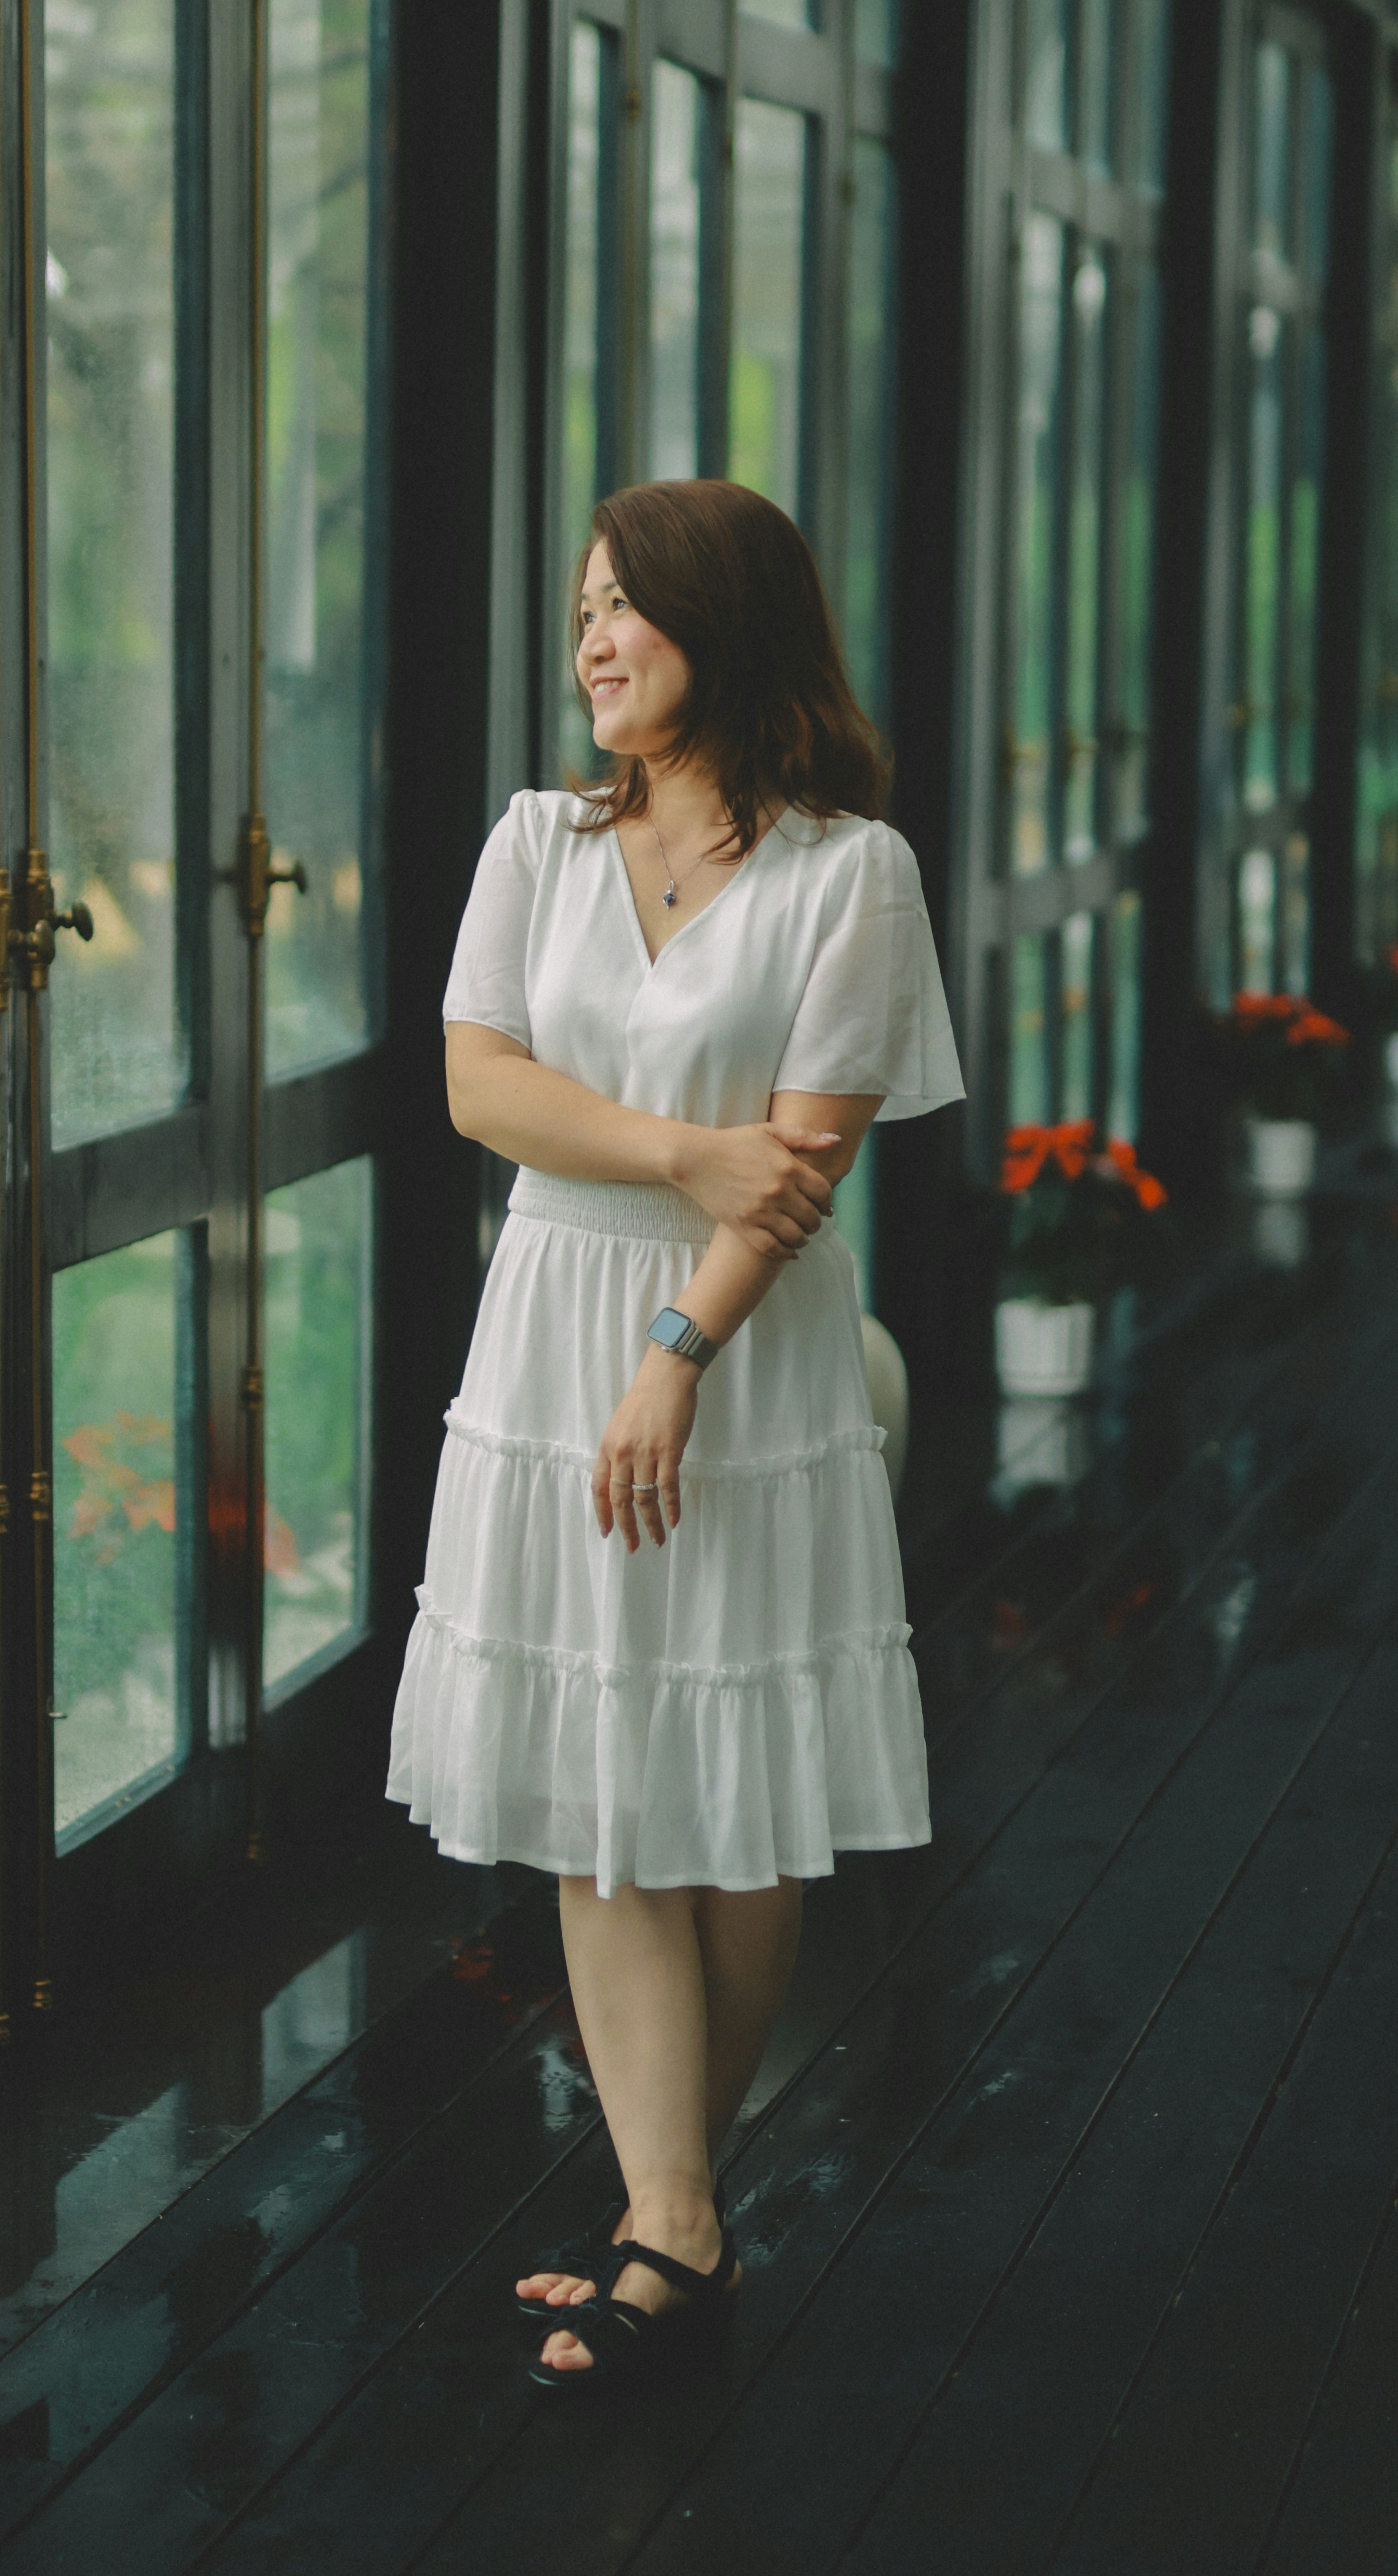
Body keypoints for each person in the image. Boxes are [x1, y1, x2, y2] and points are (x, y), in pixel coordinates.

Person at [386, 478, 965, 2389]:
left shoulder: (848, 874)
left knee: (737, 1777)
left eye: (623, 606)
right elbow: (480, 1088)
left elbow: (798, 1171)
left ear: (722, 620)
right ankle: (674, 2224)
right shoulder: (537, 844)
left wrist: (674, 1351)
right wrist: (678, 1154)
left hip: (738, 1346)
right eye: (580, 612)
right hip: (548, 1315)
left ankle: (668, 2216)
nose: (592, 643)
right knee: (595, 1767)